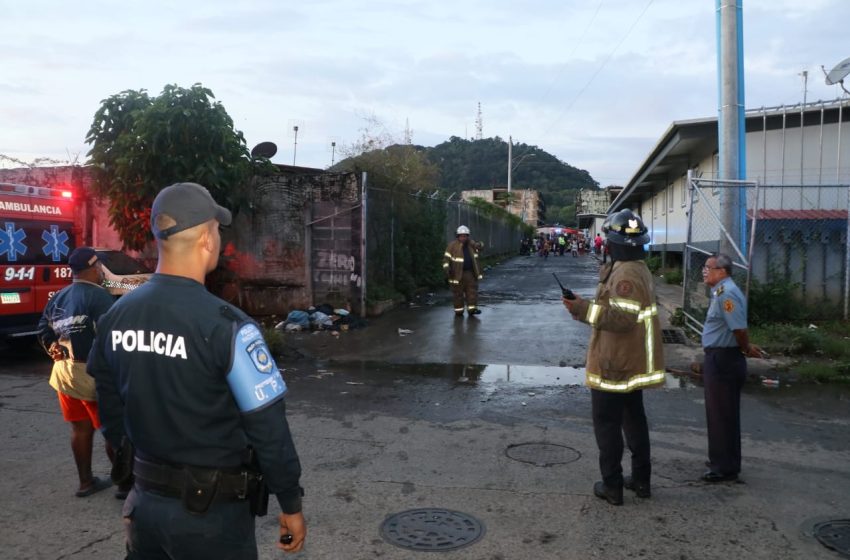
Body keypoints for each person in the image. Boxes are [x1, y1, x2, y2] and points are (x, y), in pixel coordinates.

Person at [88, 182, 306, 557]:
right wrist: (290, 502)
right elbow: (269, 428)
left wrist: (134, 459)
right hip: (212, 520)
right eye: (217, 231)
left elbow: (108, 402)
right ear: (207, 238)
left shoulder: (116, 315)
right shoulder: (230, 328)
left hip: (144, 507)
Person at [562, 209, 665, 505]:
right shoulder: (637, 267)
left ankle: (612, 486)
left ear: (615, 243)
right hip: (631, 362)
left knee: (607, 424)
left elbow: (620, 319)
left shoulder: (625, 274)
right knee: (634, 419)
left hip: (616, 364)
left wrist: (580, 309)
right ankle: (641, 481)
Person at [38, 247, 117, 498]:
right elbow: (109, 339)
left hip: (63, 372)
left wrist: (52, 346)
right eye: (100, 267)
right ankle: (125, 485)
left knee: (80, 429)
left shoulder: (58, 296)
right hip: (92, 373)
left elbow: (43, 329)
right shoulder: (101, 298)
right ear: (95, 268)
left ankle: (86, 483)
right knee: (113, 430)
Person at [700, 253, 764, 483]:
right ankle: (721, 459)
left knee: (722, 414)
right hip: (719, 357)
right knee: (718, 413)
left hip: (724, 360)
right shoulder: (720, 291)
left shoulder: (727, 294)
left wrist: (746, 347)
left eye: (708, 267)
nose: (705, 271)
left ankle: (724, 468)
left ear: (722, 271)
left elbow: (739, 329)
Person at [443, 225, 484, 317]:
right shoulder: (452, 246)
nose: (463, 238)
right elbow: (446, 260)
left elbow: (481, 247)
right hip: (456, 275)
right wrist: (447, 269)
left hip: (470, 274)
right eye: (461, 236)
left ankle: (472, 310)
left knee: (472, 292)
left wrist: (477, 244)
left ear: (468, 236)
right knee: (458, 294)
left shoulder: (472, 245)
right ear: (457, 236)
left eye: (465, 236)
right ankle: (459, 311)